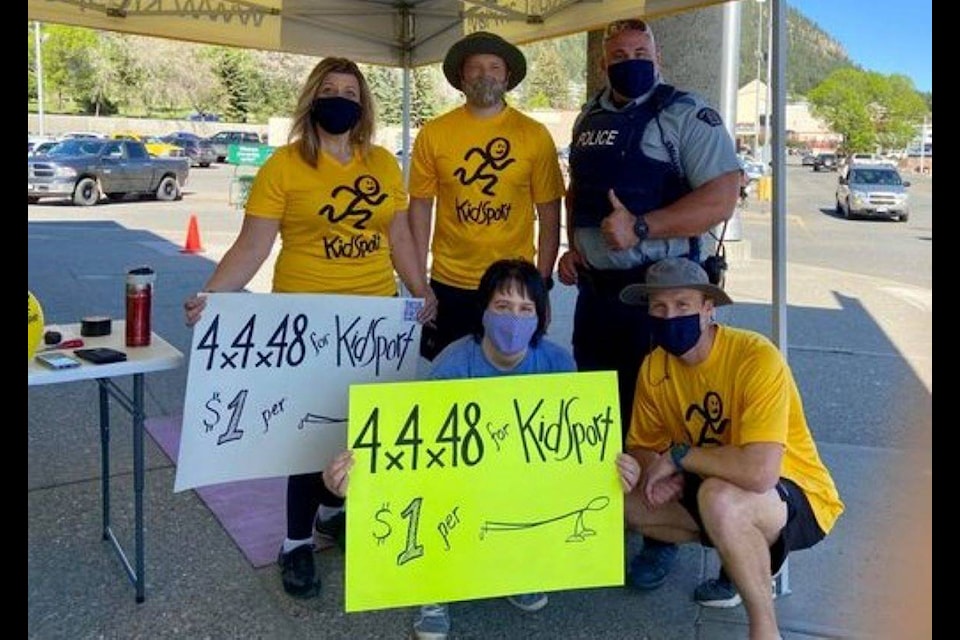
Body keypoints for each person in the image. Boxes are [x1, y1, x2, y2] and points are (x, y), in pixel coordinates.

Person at [181, 57, 437, 600]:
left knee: (361, 428)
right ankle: (295, 542)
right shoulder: (284, 167)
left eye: (350, 90)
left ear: (363, 104)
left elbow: (399, 239)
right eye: (329, 89)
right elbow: (253, 246)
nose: (339, 98)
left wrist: (422, 288)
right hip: (307, 320)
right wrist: (212, 296)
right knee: (305, 437)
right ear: (311, 99)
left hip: (375, 318)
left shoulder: (384, 165)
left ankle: (332, 512)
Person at [321, 258, 576, 640]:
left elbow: (574, 449)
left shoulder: (558, 364)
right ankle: (433, 586)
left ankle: (516, 564)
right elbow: (411, 456)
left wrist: (612, 467)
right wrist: (351, 480)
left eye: (526, 309)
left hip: (516, 480)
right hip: (460, 482)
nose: (514, 318)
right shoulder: (452, 365)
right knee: (434, 490)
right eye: (502, 306)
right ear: (484, 311)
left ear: (541, 317)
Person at [614, 257, 844, 640]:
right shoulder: (654, 367)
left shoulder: (755, 356)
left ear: (708, 310)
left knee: (720, 497)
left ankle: (764, 629)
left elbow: (760, 472)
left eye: (682, 305)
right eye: (659, 307)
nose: (670, 316)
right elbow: (641, 445)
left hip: (795, 494)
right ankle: (736, 550)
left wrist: (677, 458)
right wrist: (652, 467)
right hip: (706, 487)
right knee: (620, 500)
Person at [557, 17, 741, 442]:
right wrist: (574, 246)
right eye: (619, 56)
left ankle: (656, 502)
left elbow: (722, 197)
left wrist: (641, 227)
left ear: (659, 58)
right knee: (597, 411)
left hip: (658, 295)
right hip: (596, 292)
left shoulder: (685, 113)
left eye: (641, 54)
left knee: (657, 412)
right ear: (603, 65)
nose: (631, 62)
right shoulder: (589, 116)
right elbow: (578, 190)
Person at [408, 31, 566, 363]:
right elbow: (420, 208)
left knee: (510, 374)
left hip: (513, 286)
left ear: (507, 77)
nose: (485, 74)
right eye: (475, 67)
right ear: (461, 77)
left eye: (495, 67)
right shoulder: (433, 134)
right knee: (446, 373)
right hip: (449, 281)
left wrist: (542, 284)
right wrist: (419, 282)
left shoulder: (534, 136)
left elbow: (551, 216)